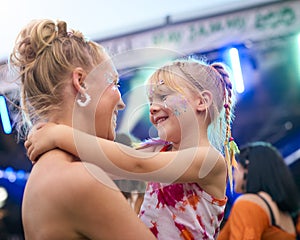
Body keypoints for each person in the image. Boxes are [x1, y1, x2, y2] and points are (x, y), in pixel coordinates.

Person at [26, 57, 239, 239]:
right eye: (150, 101)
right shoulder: (159, 150)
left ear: (201, 102)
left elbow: (135, 163)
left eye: (163, 96)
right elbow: (109, 162)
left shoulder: (209, 160)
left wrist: (58, 134)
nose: (153, 107)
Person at [9, 19, 156, 239]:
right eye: (114, 83)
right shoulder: (80, 179)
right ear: (81, 82)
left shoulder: (53, 170)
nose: (122, 102)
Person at [218, 141, 300, 240]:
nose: (233, 174)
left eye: (235, 167)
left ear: (247, 167)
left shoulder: (248, 204)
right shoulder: (286, 215)